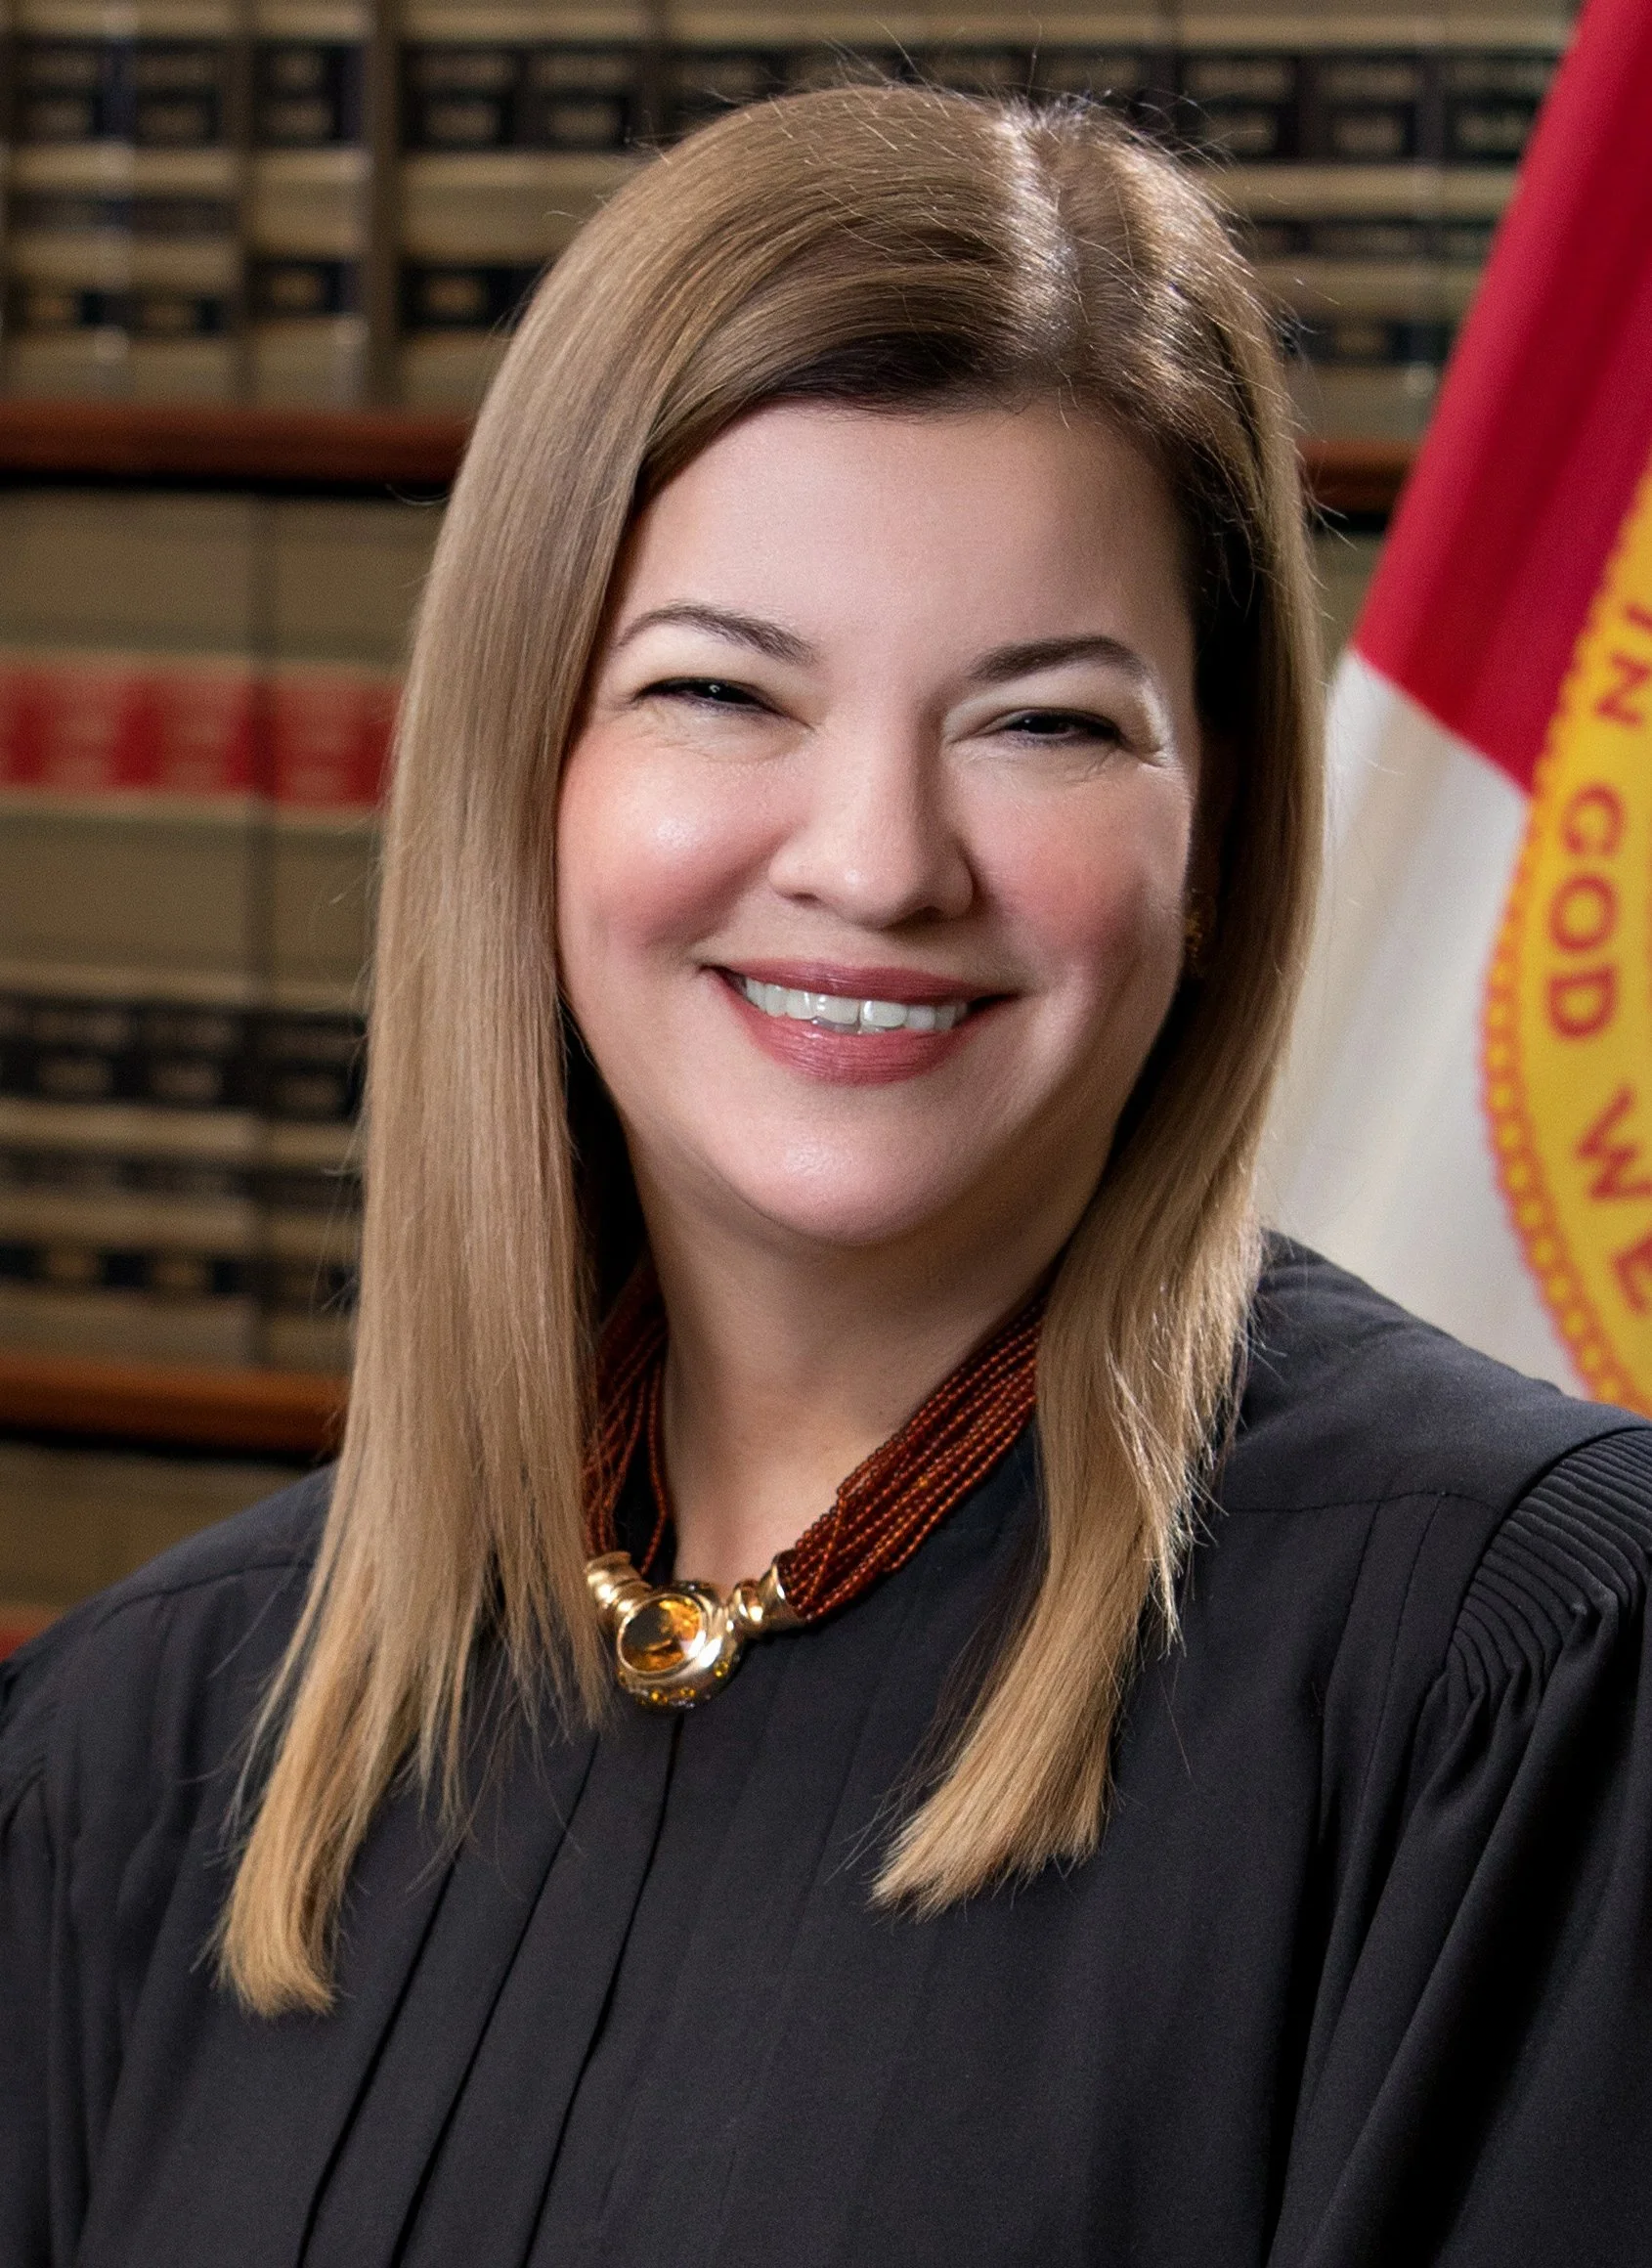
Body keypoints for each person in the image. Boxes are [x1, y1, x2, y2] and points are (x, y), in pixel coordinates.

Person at [3, 84, 1649, 2268]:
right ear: (521, 768)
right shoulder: (135, 1742)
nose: (876, 863)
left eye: (1044, 721)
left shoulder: (1518, 1672)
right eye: (719, 691)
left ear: (1217, 833)